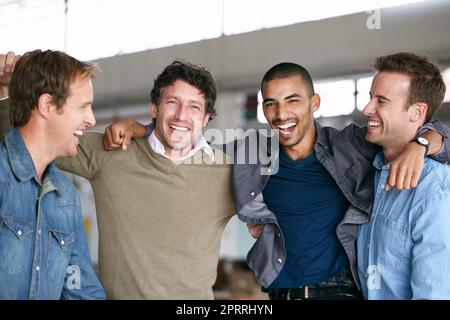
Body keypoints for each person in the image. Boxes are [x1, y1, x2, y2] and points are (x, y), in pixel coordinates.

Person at [105, 58, 450, 300]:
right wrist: (146, 129)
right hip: (276, 294)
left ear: (314, 102)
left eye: (292, 100)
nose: (281, 114)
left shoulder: (351, 145)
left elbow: (431, 136)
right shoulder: (251, 152)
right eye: (270, 104)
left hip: (336, 291)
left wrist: (423, 142)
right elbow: (194, 147)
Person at [0, 57, 235, 299]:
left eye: (194, 107)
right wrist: (7, 91)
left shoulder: (229, 173)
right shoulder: (110, 151)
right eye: (172, 102)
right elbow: (31, 137)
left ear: (206, 118)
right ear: (154, 107)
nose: (181, 116)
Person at [0, 50, 105, 299]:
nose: (91, 119)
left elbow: (83, 292)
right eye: (83, 107)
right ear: (47, 105)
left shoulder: (65, 196)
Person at [357, 52, 450, 299]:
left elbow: (433, 294)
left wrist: (420, 144)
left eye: (381, 101)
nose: (367, 109)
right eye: (369, 98)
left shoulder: (435, 189)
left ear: (417, 112)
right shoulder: (368, 168)